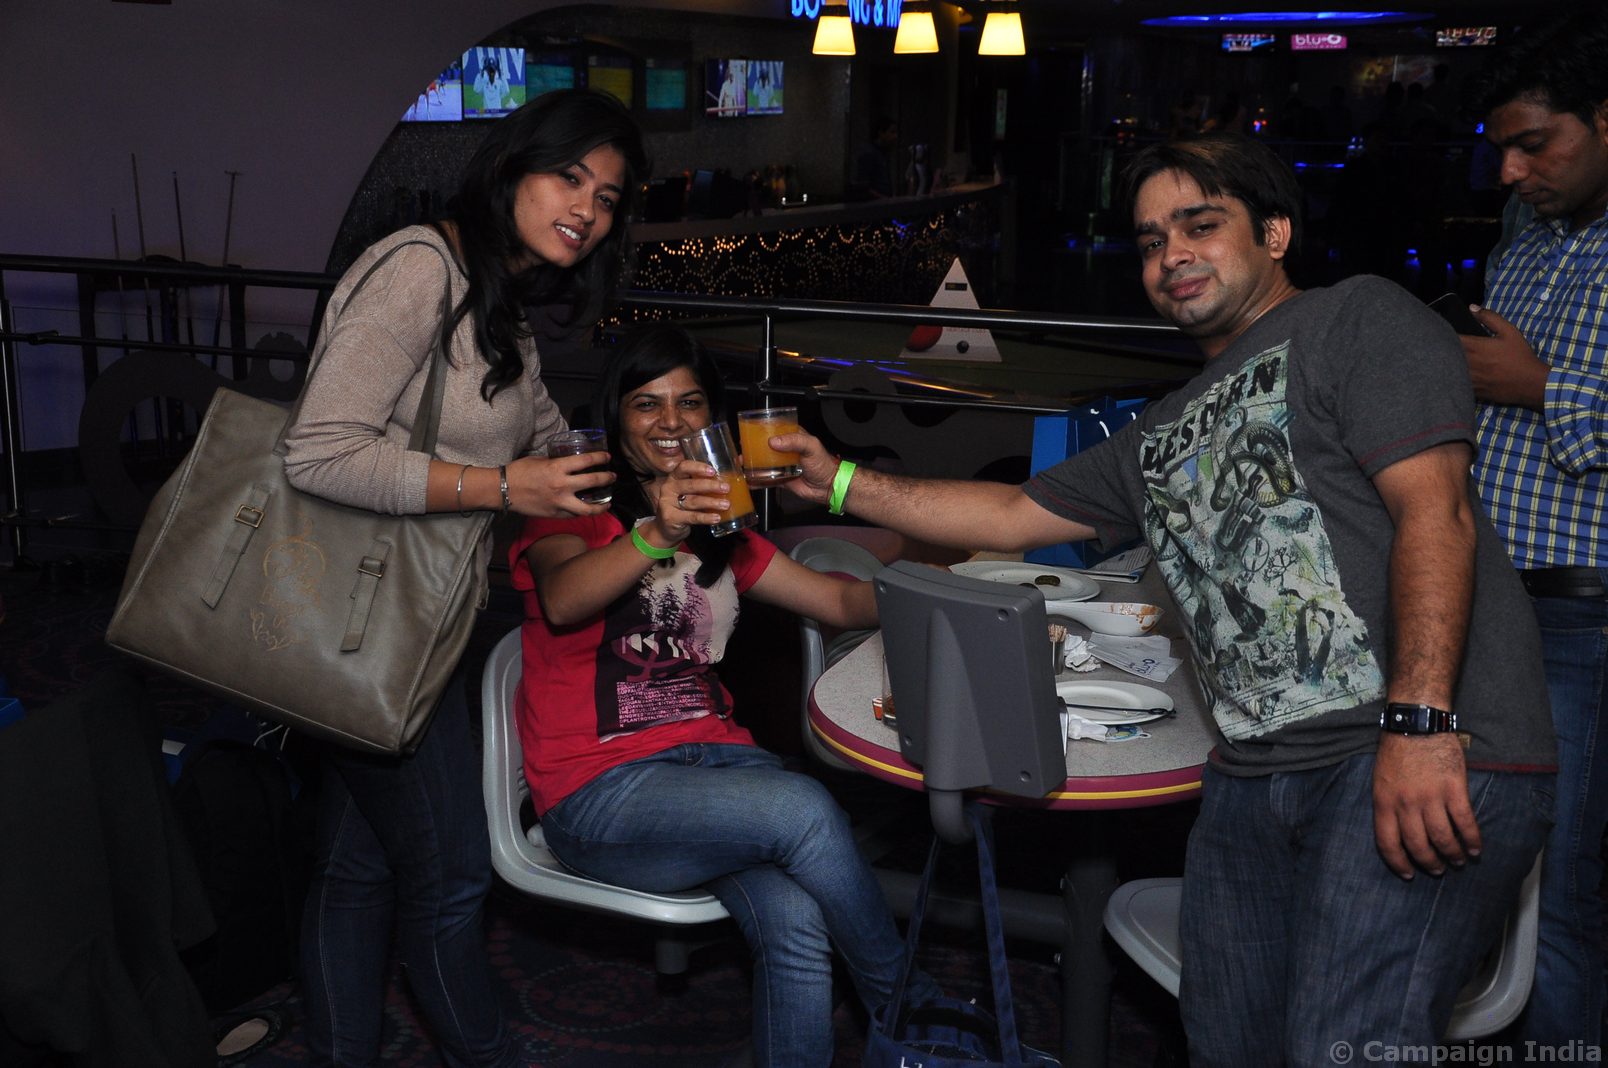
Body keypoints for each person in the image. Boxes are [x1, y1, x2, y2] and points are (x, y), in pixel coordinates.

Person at [772, 134, 1556, 1062]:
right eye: (1150, 241)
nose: (1171, 254)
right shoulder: (1161, 431)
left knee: (1346, 1043)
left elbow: (1437, 513)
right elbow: (1011, 513)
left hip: (1403, 744)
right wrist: (835, 479)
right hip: (1253, 776)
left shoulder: (1357, 317)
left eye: (1199, 224)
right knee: (1226, 1041)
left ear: (1275, 233)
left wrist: (1419, 724)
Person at [282, 89, 647, 1068]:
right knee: (450, 876)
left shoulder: (495, 299)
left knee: (358, 868)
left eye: (608, 196)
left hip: (419, 620)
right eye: (569, 177)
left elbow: (545, 435)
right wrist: (501, 486)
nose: (588, 208)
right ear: (511, 169)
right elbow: (317, 451)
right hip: (361, 618)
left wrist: (663, 450)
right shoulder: (420, 269)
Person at [508, 324, 936, 1067]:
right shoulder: (572, 512)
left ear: (715, 419)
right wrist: (656, 530)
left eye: (691, 402)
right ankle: (914, 1016)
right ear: (617, 419)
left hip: (717, 772)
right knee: (803, 808)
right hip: (599, 791)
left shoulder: (723, 528)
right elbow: (564, 598)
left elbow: (836, 603)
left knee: (795, 915)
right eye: (647, 404)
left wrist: (941, 585)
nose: (671, 421)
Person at [1463, 8, 1608, 1047]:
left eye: (1535, 145)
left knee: (1554, 894)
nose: (1512, 172)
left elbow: (1532, 389)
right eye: (1503, 149)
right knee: (1479, 861)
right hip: (1484, 598)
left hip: (1578, 620)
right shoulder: (1525, 238)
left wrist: (1540, 385)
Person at [855, 116, 899, 198]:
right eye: (892, 132)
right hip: (875, 204)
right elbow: (863, 187)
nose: (895, 136)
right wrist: (886, 199)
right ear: (881, 133)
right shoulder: (869, 153)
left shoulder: (883, 153)